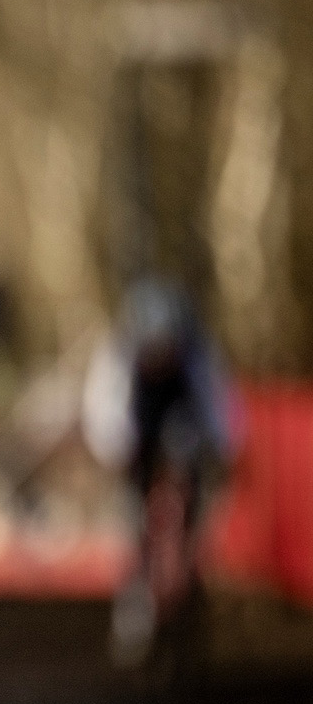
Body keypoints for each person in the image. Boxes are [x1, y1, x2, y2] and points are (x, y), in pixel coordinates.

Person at [81, 277, 234, 671]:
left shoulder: (198, 357)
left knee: (190, 530)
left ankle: (188, 611)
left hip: (185, 436)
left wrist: (219, 452)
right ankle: (136, 620)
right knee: (136, 529)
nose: (160, 357)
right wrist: (122, 455)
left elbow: (218, 409)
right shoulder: (118, 360)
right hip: (138, 442)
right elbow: (104, 415)